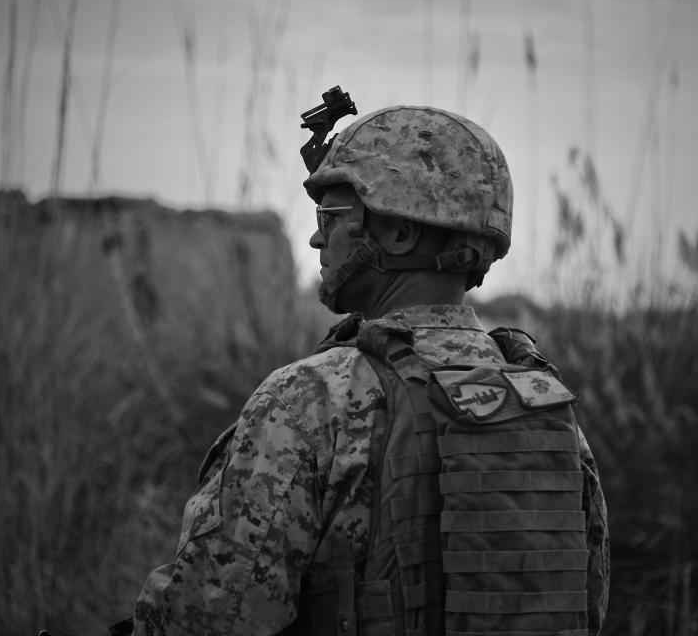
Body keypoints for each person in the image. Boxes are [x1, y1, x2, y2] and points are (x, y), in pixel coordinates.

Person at [132, 104, 609, 635]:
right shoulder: (544, 405)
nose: (317, 239)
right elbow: (587, 604)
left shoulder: (310, 399)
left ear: (400, 235)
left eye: (330, 219)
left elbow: (209, 618)